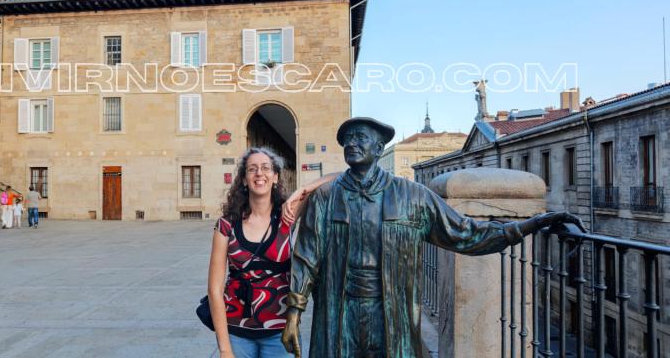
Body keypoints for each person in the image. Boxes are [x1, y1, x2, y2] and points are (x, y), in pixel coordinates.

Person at [281, 117, 585, 358]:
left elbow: (466, 233)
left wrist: (533, 224)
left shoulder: (413, 196)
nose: (351, 143)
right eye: (347, 139)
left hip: (392, 314)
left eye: (360, 137)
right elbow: (307, 257)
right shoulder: (325, 198)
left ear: (379, 147)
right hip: (339, 311)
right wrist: (294, 313)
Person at [207, 146, 335, 358]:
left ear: (275, 177)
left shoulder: (287, 215)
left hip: (280, 334)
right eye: (252, 169)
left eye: (266, 168)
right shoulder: (226, 226)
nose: (259, 173)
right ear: (244, 179)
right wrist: (225, 349)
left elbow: (340, 176)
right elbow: (214, 290)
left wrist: (302, 190)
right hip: (237, 333)